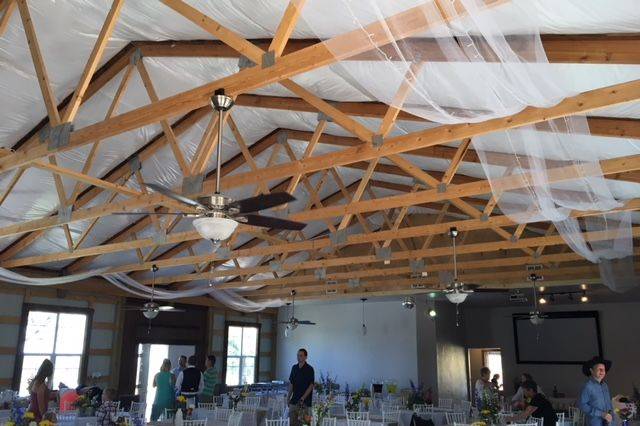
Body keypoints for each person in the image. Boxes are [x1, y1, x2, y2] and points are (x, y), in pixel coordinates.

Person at [579, 356, 614, 426]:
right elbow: (582, 405)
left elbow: (609, 404)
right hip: (595, 423)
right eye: (599, 369)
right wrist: (601, 414)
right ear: (592, 371)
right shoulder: (588, 386)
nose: (602, 372)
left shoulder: (605, 386)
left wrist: (611, 418)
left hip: (608, 423)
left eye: (604, 369)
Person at [288, 348, 315, 426]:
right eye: (297, 355)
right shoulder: (294, 368)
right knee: (292, 423)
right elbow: (291, 384)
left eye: (300, 355)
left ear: (305, 357)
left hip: (305, 402)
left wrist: (303, 397)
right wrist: (288, 397)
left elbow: (311, 385)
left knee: (304, 423)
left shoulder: (310, 369)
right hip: (294, 401)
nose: (298, 357)